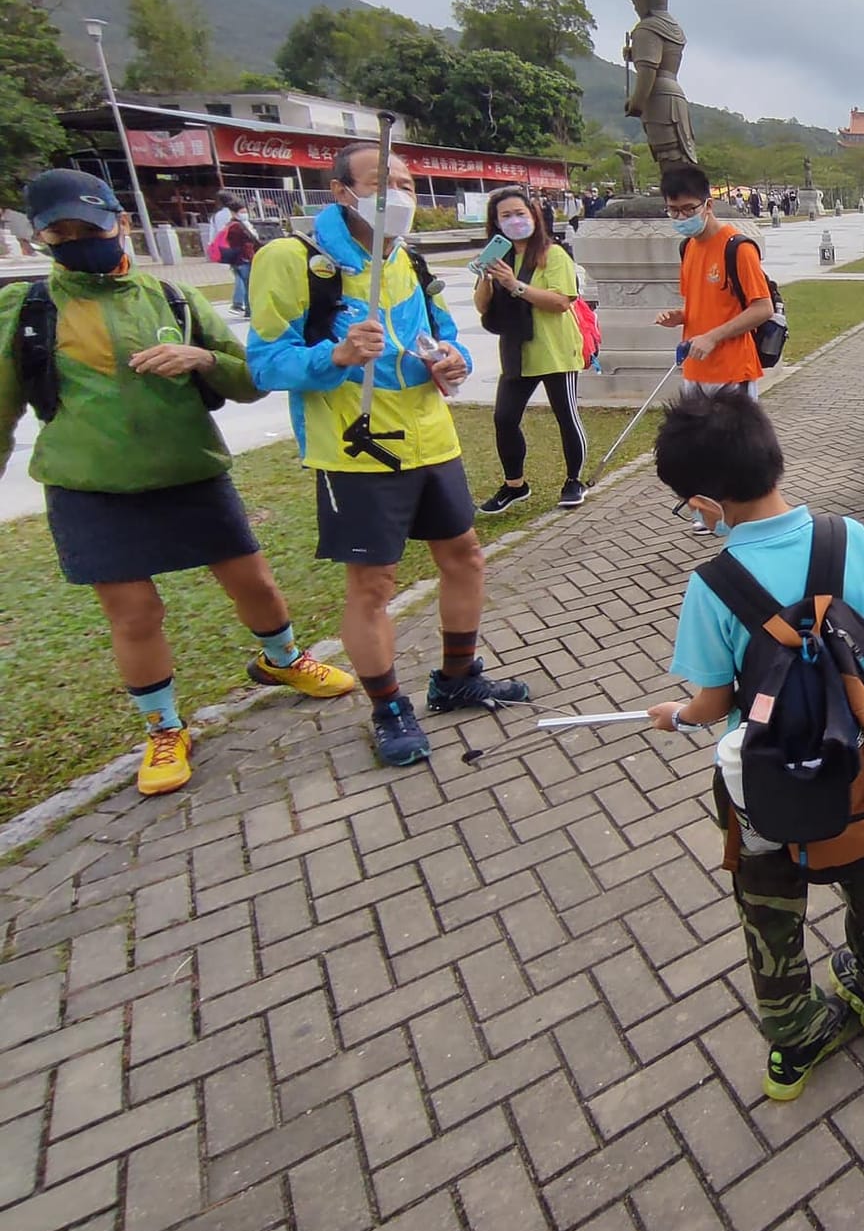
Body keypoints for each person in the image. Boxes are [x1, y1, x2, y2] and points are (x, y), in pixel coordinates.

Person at [2, 170, 356, 797]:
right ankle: (164, 728)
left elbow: (250, 380)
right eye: (62, 232)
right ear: (39, 239)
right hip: (90, 486)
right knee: (135, 614)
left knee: (254, 581)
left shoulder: (171, 299)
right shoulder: (26, 311)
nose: (80, 240)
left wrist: (202, 359)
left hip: (190, 469)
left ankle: (284, 661)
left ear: (122, 223)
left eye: (93, 227)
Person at [646, 390, 864, 1101]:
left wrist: (675, 715)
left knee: (768, 905)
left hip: (764, 782)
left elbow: (711, 704)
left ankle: (793, 1040)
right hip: (858, 760)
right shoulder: (845, 538)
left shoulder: (714, 584)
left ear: (706, 500)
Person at [248, 142, 529, 768]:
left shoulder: (409, 259)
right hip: (357, 453)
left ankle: (457, 677)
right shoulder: (295, 262)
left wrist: (451, 360)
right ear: (342, 191)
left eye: (405, 181)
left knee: (465, 558)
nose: (398, 194)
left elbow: (441, 335)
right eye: (383, 182)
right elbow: (265, 363)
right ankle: (387, 707)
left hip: (434, 440)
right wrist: (336, 356)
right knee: (372, 583)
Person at [472, 186, 589, 514]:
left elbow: (560, 302)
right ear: (495, 223)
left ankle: (573, 480)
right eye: (505, 216)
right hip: (515, 350)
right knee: (504, 418)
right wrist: (486, 277)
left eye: (520, 214)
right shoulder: (498, 257)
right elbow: (482, 308)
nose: (514, 221)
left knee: (566, 415)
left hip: (554, 349)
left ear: (534, 216)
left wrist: (515, 285)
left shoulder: (553, 254)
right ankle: (515, 485)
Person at [651, 164, 774, 399]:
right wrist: (680, 316)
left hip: (731, 374)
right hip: (695, 370)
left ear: (708, 205)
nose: (681, 217)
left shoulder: (737, 248)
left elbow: (762, 308)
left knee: (736, 437)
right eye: (673, 210)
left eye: (688, 209)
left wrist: (712, 337)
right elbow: (700, 302)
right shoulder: (688, 247)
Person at [218, 201, 260, 318]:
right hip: (243, 259)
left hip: (237, 260)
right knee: (249, 285)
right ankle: (249, 310)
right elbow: (248, 241)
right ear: (235, 213)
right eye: (242, 212)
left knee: (245, 284)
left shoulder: (233, 225)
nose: (245, 213)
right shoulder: (237, 227)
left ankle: (245, 308)